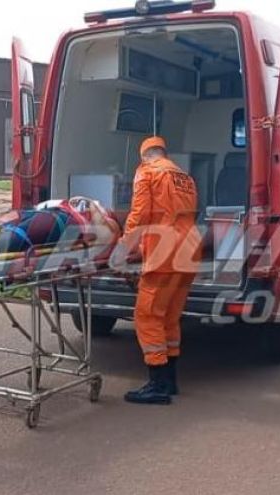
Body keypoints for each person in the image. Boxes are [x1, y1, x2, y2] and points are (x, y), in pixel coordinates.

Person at [117, 136, 201, 405]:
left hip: (166, 251)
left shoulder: (148, 171)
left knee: (148, 315)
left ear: (144, 155)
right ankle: (170, 381)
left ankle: (157, 386)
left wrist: (123, 247)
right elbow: (172, 216)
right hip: (189, 248)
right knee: (169, 317)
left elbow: (140, 214)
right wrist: (143, 249)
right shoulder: (184, 177)